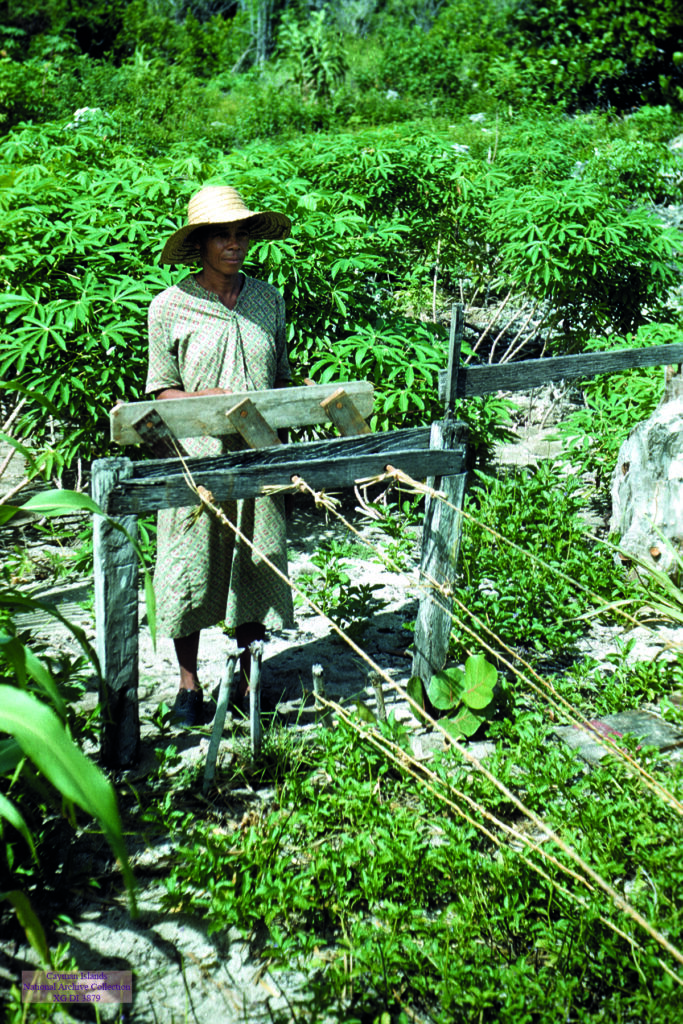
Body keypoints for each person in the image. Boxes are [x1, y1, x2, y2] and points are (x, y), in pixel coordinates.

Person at [146, 185, 294, 726]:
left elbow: (279, 381)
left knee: (256, 561)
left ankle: (246, 672)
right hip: (196, 460)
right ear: (200, 244)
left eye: (240, 235)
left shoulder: (268, 300)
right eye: (222, 236)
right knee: (189, 567)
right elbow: (161, 391)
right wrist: (203, 400)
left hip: (259, 456)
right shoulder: (169, 307)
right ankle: (189, 684)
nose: (234, 245)